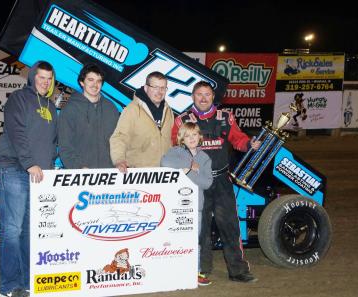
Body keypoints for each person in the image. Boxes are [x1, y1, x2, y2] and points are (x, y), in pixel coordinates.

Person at [171, 81, 261, 283]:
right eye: (199, 94)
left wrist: (249, 144)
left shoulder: (225, 117)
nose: (203, 98)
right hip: (196, 183)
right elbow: (174, 147)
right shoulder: (183, 120)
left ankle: (238, 270)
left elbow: (237, 138)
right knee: (200, 229)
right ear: (193, 96)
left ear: (213, 97)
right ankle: (201, 269)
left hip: (221, 180)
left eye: (207, 94)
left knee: (229, 226)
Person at [0, 61, 57, 297]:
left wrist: (48, 166)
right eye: (41, 77)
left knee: (29, 231)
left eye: (49, 78)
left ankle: (27, 282)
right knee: (12, 229)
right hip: (14, 168)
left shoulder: (50, 106)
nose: (45, 82)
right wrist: (30, 163)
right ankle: (8, 287)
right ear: (32, 77)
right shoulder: (18, 99)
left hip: (37, 176)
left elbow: (52, 143)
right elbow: (16, 131)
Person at [161, 122, 213, 286]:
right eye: (187, 136)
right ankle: (173, 272)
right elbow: (165, 164)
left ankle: (196, 271)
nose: (191, 138)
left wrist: (188, 172)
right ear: (181, 139)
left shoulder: (205, 158)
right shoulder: (175, 152)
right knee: (175, 241)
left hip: (195, 207)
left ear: (200, 137)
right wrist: (189, 166)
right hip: (176, 206)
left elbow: (206, 183)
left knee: (193, 241)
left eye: (194, 135)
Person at [110, 71, 174, 172]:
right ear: (146, 88)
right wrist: (119, 160)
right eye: (155, 87)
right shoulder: (132, 109)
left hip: (163, 174)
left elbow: (170, 141)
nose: (159, 91)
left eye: (163, 88)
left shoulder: (168, 111)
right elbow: (120, 136)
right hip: (139, 174)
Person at [58, 63, 119, 168]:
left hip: (109, 175)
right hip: (82, 175)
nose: (95, 85)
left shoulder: (111, 108)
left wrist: (119, 161)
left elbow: (119, 140)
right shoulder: (70, 109)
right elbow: (65, 146)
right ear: (82, 82)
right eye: (91, 80)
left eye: (98, 81)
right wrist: (78, 167)